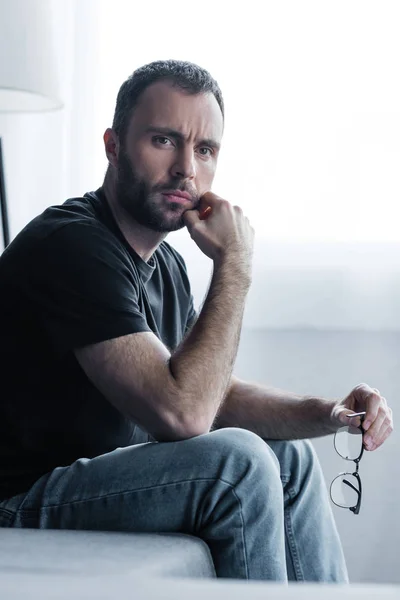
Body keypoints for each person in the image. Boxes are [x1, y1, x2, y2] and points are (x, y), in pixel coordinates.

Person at [0, 60, 393, 581]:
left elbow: (212, 396)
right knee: (239, 463)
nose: (187, 168)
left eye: (205, 149)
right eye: (164, 141)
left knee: (289, 458)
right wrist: (235, 264)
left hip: (89, 480)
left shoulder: (164, 264)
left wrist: (331, 412)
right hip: (19, 496)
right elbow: (184, 415)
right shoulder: (73, 245)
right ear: (113, 146)